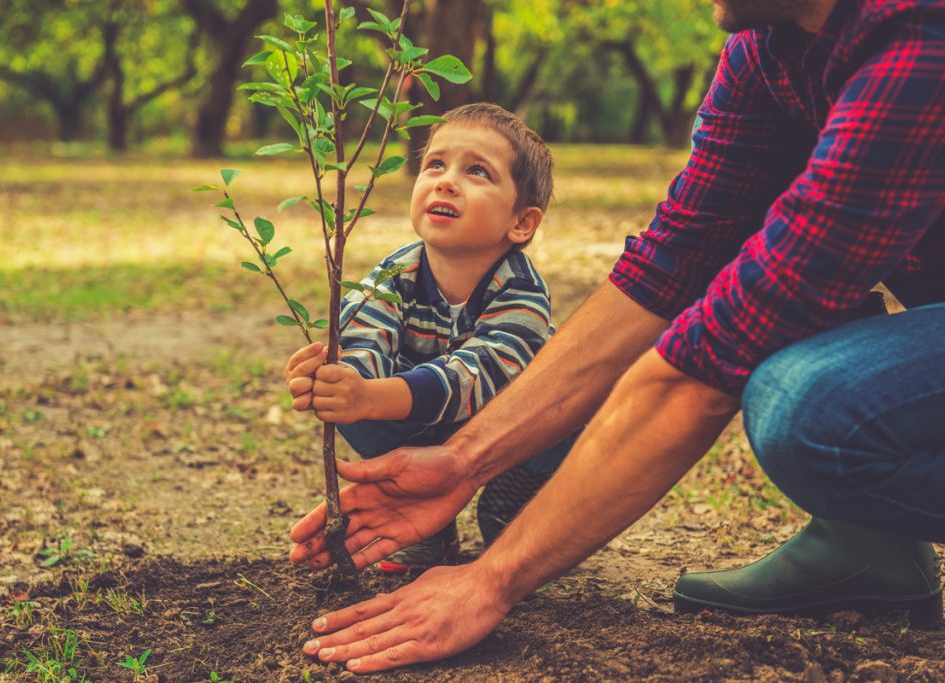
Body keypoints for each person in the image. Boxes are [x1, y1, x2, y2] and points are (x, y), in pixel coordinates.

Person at [287, 0, 945, 673]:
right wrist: (461, 461)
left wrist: (492, 578)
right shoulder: (767, 49)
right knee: (780, 281)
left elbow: (710, 362)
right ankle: (871, 543)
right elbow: (672, 264)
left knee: (805, 407)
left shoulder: (920, 44)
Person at [284, 103, 576, 573]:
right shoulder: (396, 273)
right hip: (426, 421)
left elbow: (479, 377)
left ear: (521, 222)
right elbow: (364, 336)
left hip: (510, 429)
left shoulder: (521, 290)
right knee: (358, 409)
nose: (445, 180)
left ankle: (522, 493)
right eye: (435, 165)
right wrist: (339, 381)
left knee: (571, 415)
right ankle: (429, 523)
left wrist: (377, 394)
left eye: (477, 171)